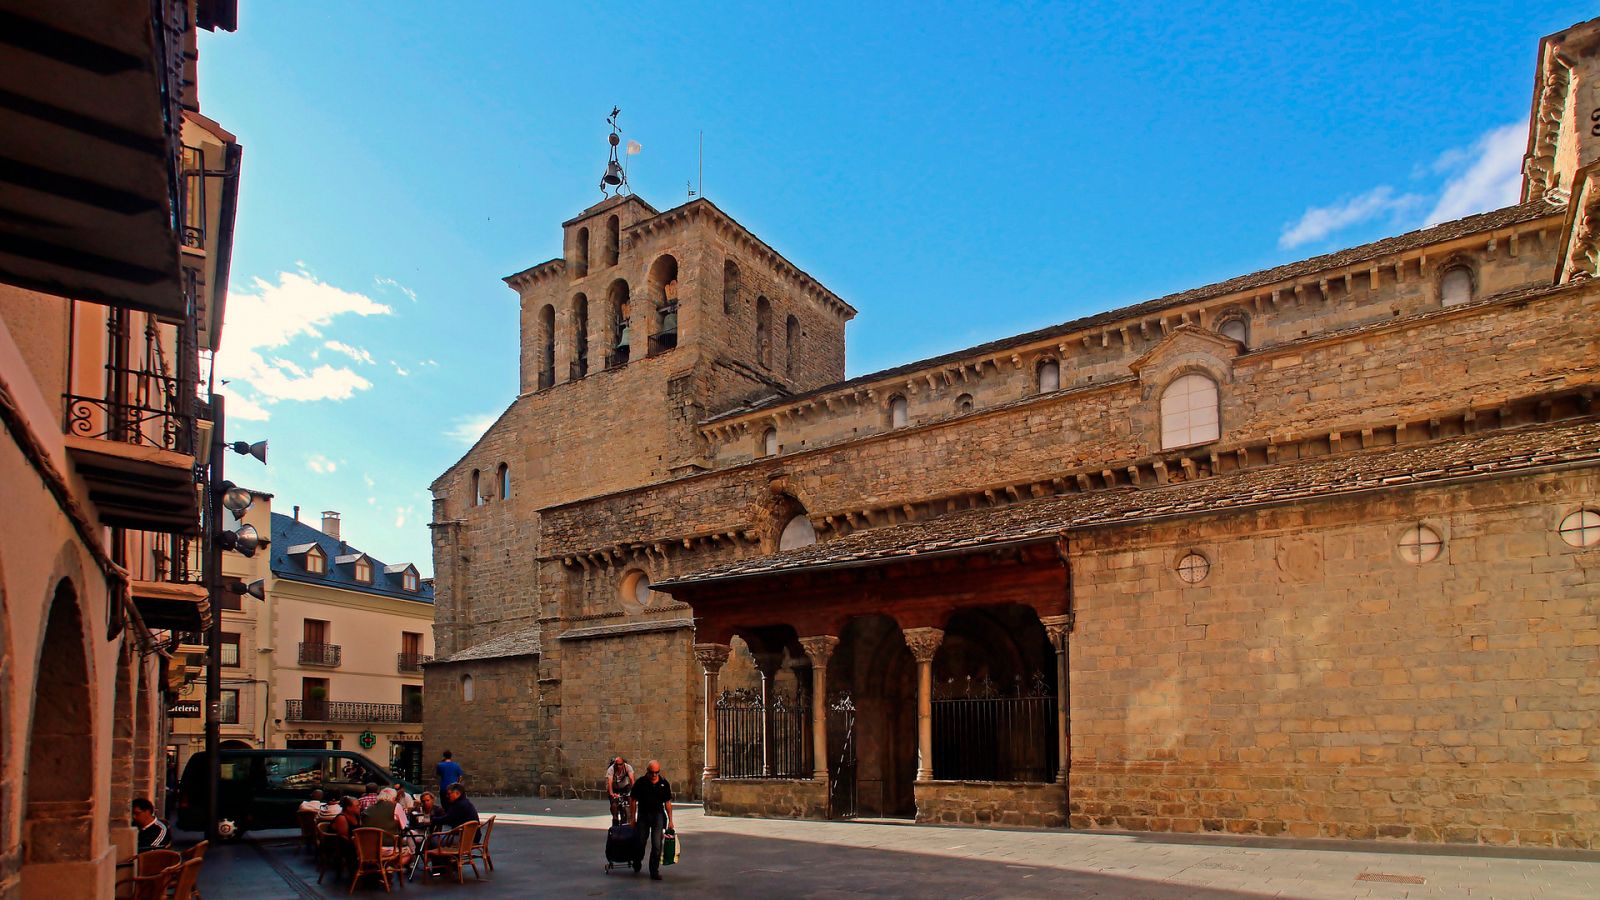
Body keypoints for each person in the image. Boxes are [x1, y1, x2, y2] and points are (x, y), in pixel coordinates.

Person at [628, 760, 674, 881]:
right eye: (651, 772)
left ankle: (654, 871)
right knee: (640, 842)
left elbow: (668, 803)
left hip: (658, 816)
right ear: (647, 771)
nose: (654, 775)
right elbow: (632, 800)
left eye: (656, 772)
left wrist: (671, 820)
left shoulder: (664, 783)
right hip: (643, 815)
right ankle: (637, 861)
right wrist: (632, 818)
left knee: (657, 845)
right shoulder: (641, 783)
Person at [605, 756, 635, 824]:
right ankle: (615, 818)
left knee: (631, 798)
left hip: (624, 786)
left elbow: (632, 780)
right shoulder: (611, 769)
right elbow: (609, 782)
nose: (618, 766)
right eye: (617, 764)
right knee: (614, 804)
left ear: (623, 763)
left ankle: (631, 816)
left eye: (620, 764)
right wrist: (612, 793)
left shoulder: (628, 767)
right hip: (614, 787)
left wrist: (634, 791)